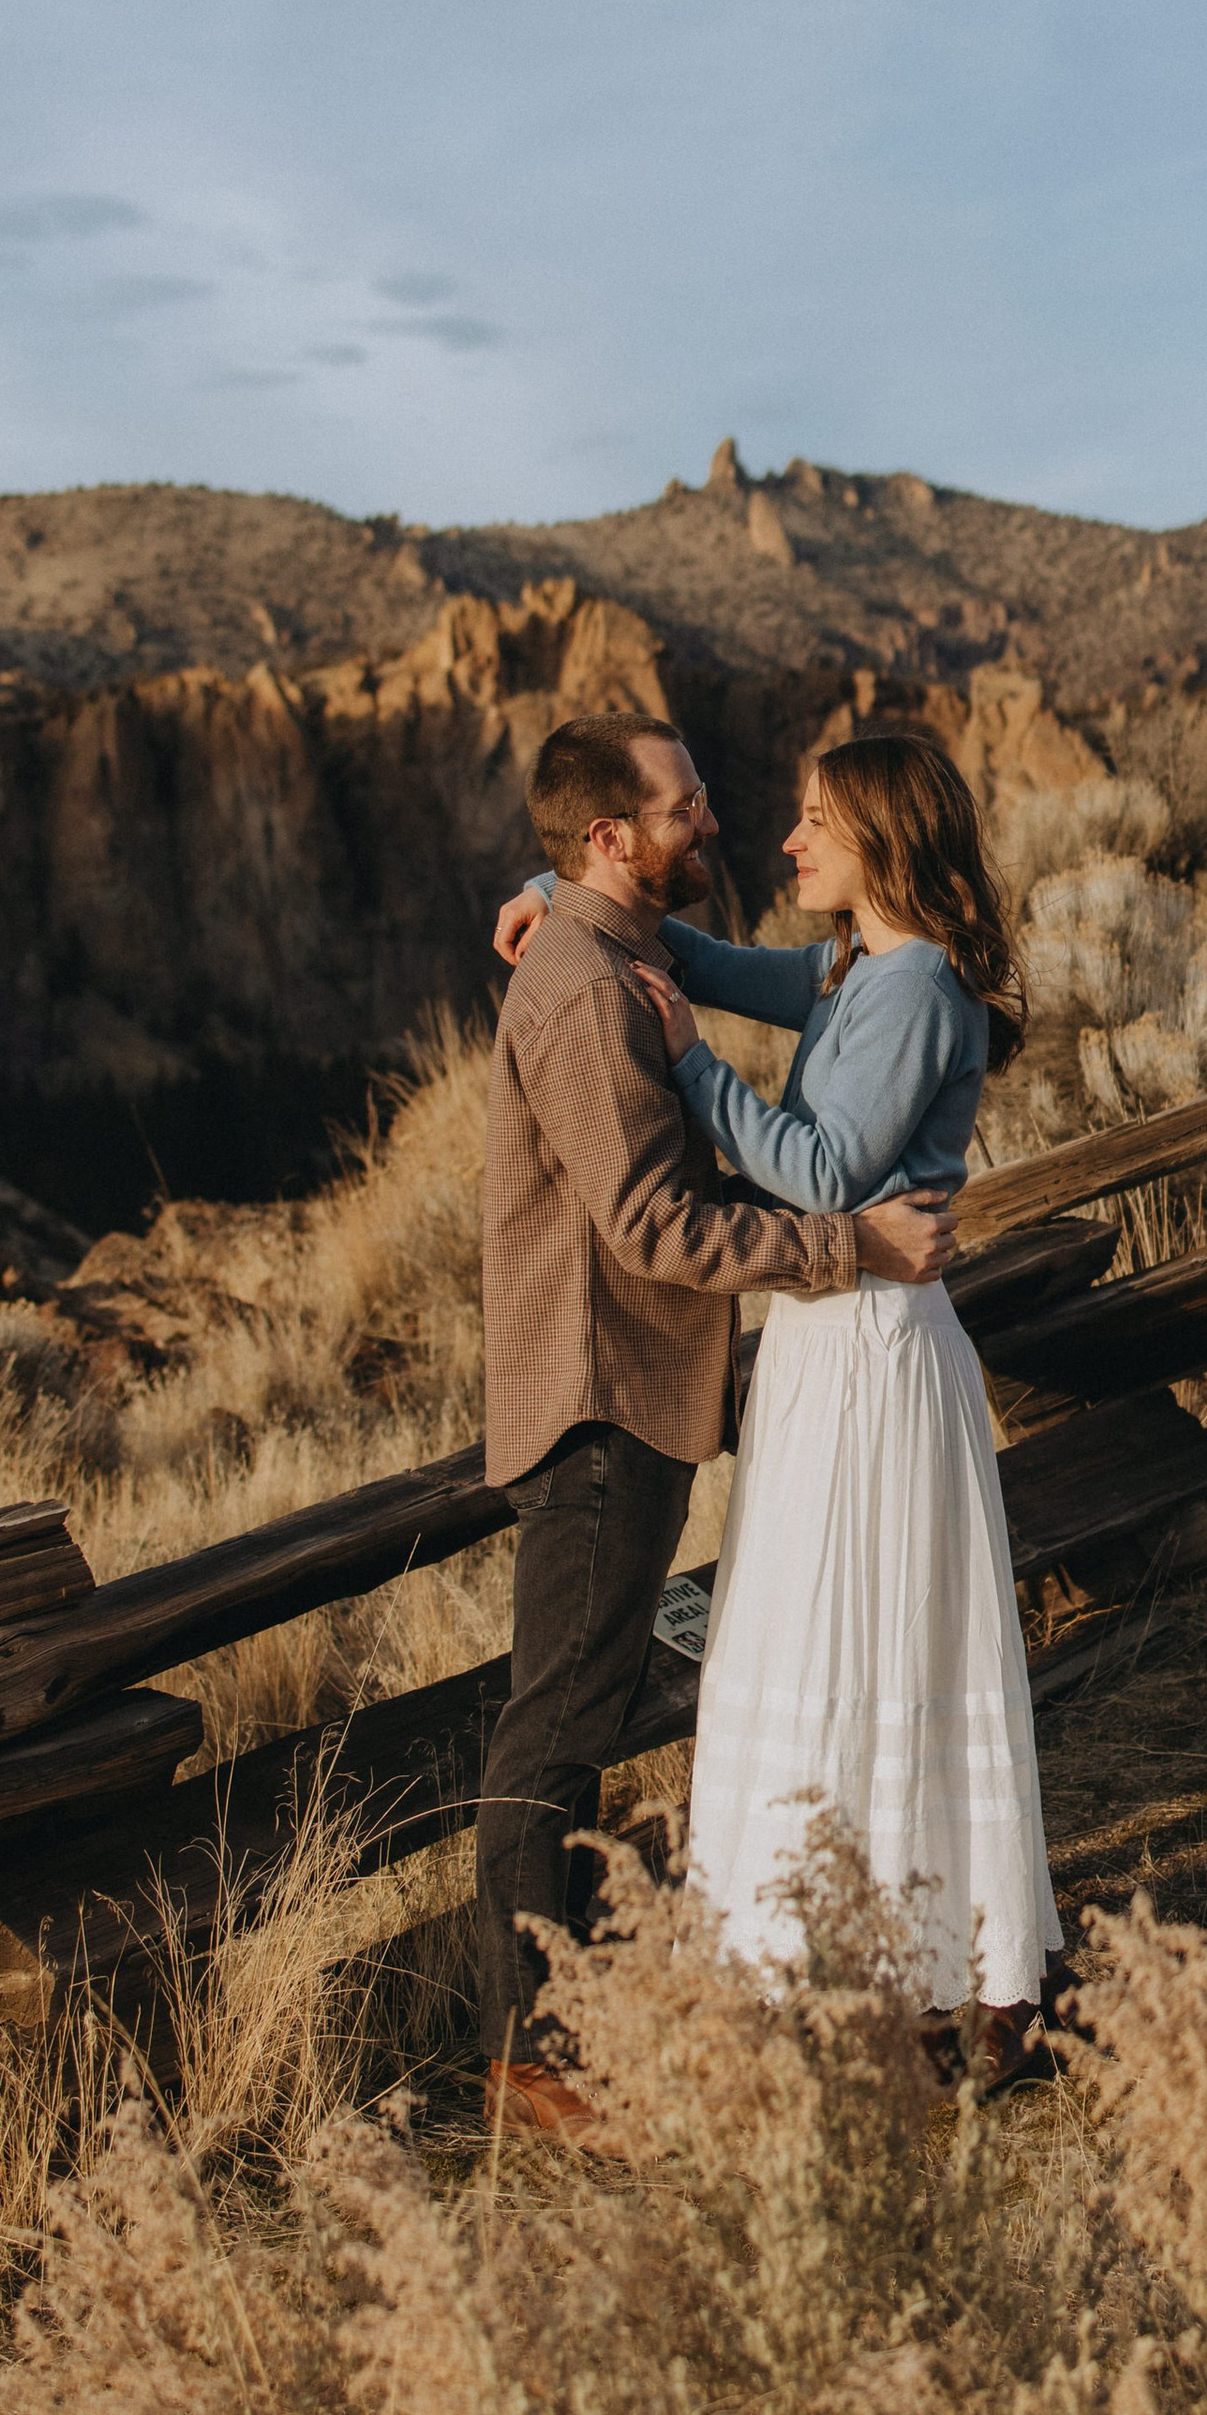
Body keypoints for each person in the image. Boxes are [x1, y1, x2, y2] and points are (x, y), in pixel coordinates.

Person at [495, 728, 1061, 2087]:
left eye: (816, 820)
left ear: (882, 842)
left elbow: (817, 1168)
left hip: (869, 1345)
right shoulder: (857, 962)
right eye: (711, 810)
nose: (781, 840)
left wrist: (694, 1068)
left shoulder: (916, 983)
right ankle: (832, 1955)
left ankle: (927, 1967)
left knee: (871, 1636)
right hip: (825, 1342)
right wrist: (554, 889)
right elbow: (694, 950)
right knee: (820, 1634)